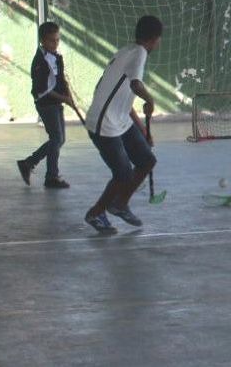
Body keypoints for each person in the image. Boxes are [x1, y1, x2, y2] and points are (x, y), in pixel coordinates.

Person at [82, 16, 162, 234]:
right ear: (155, 39)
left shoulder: (125, 51)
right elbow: (136, 85)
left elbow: (118, 93)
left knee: (146, 160)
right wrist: (151, 100)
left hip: (120, 119)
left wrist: (142, 128)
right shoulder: (139, 53)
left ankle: (119, 204)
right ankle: (96, 212)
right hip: (104, 124)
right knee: (123, 173)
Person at [17, 21, 74, 189]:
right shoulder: (40, 62)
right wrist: (63, 99)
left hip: (56, 102)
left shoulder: (56, 56)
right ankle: (51, 177)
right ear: (42, 40)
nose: (55, 44)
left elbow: (61, 79)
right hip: (45, 104)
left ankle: (29, 163)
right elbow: (43, 91)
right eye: (51, 41)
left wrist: (68, 95)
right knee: (56, 138)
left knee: (59, 139)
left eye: (57, 40)